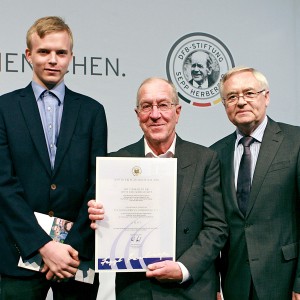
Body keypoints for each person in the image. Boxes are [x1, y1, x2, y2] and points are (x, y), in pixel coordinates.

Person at [88, 77, 228, 299]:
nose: (155, 114)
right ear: (137, 115)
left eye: (163, 105)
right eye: (146, 106)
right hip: (137, 290)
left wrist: (183, 268)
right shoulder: (117, 162)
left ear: (178, 112)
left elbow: (216, 227)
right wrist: (99, 217)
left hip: (191, 289)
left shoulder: (205, 160)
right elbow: (104, 228)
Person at [0, 16, 107, 299]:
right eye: (44, 51)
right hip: (18, 254)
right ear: (28, 55)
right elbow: (3, 185)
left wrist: (68, 248)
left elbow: (97, 185)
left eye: (61, 53)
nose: (52, 60)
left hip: (76, 257)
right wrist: (44, 246)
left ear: (71, 57)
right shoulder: (4, 108)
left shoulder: (93, 112)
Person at [210, 66, 300, 300]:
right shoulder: (214, 154)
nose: (240, 102)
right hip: (235, 282)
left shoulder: (295, 142)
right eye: (231, 97)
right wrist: (214, 284)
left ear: (266, 97)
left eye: (249, 93)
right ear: (225, 106)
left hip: (285, 278)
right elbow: (212, 225)